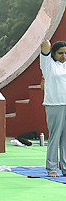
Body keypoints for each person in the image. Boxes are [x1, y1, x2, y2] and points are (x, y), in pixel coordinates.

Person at [39, 39, 66, 177]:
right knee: (55, 138)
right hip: (55, 104)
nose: (63, 56)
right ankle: (52, 168)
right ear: (53, 54)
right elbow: (45, 46)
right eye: (60, 53)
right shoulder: (48, 65)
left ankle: (65, 168)